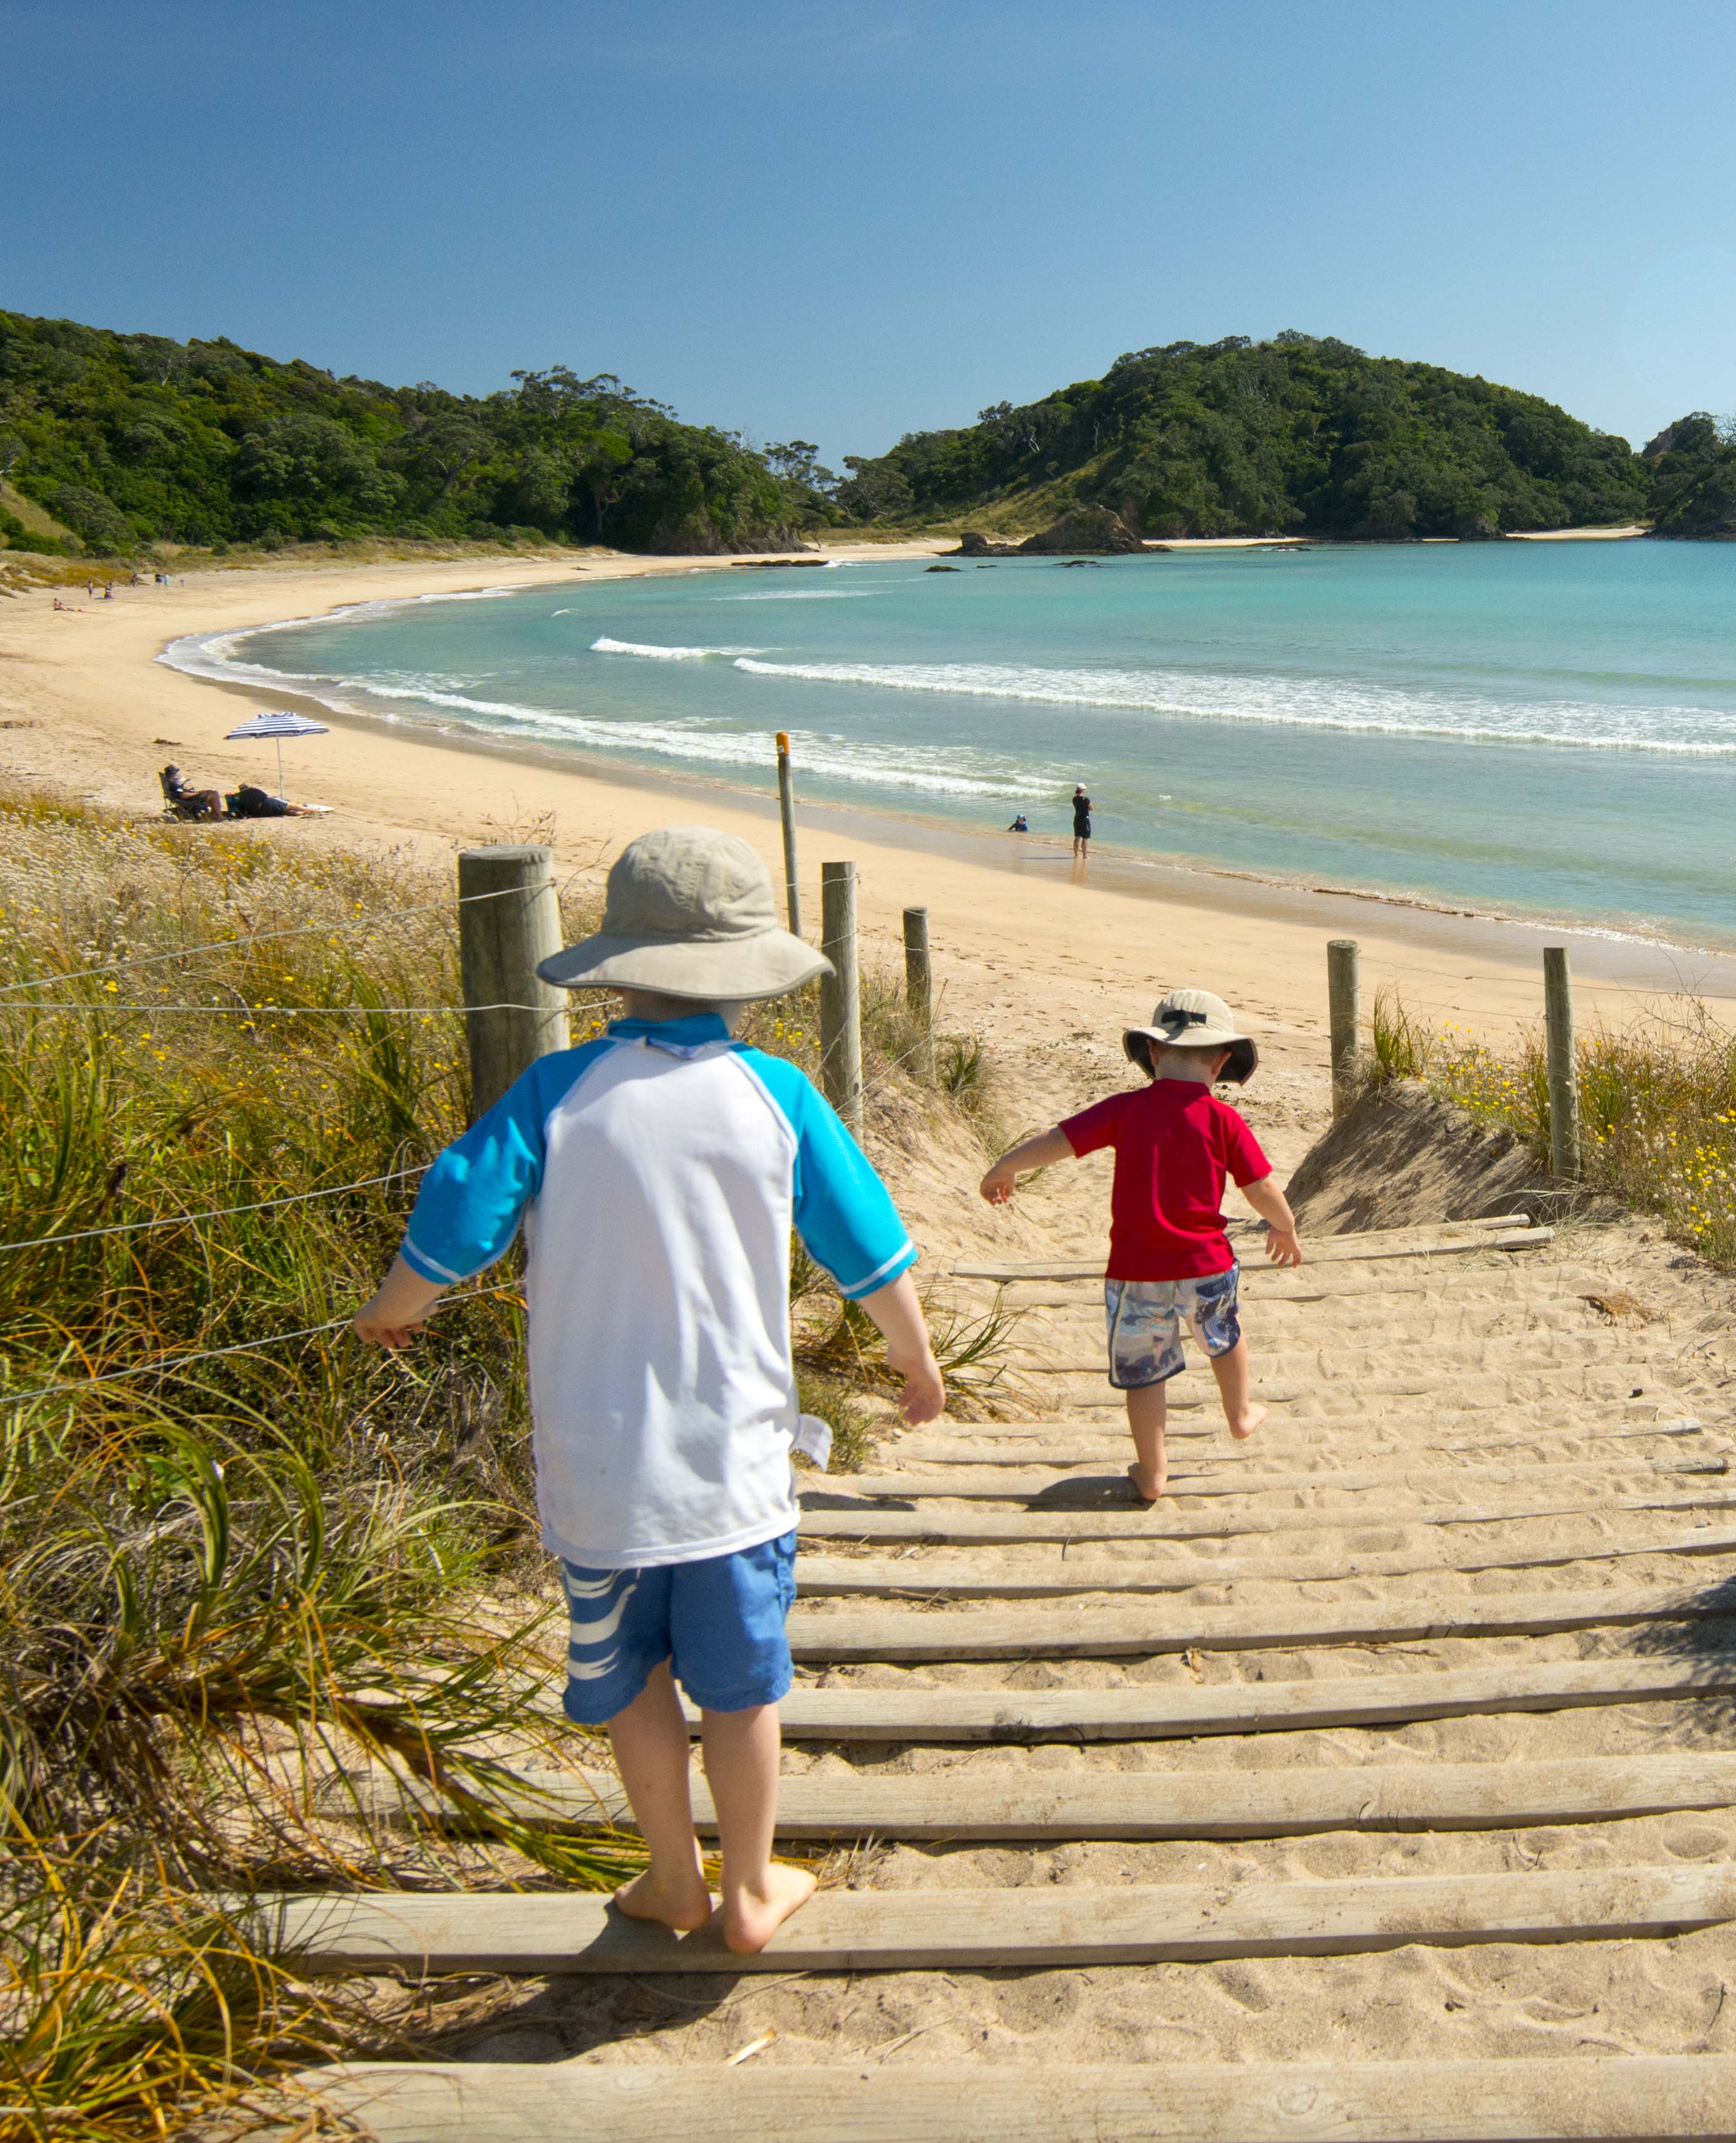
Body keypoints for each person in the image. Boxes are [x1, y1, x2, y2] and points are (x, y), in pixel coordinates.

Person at [352, 828, 942, 1956]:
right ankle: (753, 1887)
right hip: (734, 1468)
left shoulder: (557, 1088)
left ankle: (672, 1878)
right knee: (743, 1686)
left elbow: (458, 1211)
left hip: (596, 1467)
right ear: (745, 971)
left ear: (617, 967)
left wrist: (397, 1305)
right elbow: (864, 1245)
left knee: (631, 1680)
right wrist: (916, 1361)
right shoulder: (776, 1094)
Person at [976, 988, 1304, 1504]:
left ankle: (1152, 1473)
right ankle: (1240, 1414)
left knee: (1144, 1372)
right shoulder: (1224, 1121)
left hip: (1136, 1269)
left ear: (1152, 1053)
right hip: (1205, 1262)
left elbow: (1058, 1141)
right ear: (1220, 1062)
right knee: (1222, 1335)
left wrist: (1005, 1166)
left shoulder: (1124, 1109)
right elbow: (1259, 1187)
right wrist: (1284, 1226)